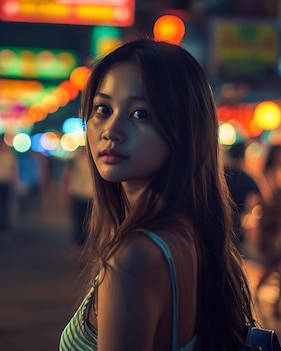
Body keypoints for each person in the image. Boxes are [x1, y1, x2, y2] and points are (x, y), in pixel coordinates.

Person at [59, 38, 256, 351]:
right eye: (103, 109)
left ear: (185, 129)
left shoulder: (134, 258)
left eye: (140, 114)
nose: (111, 129)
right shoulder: (188, 232)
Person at [255, 143, 281, 318]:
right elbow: (266, 201)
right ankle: (256, 292)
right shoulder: (266, 175)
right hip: (272, 227)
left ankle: (276, 303)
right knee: (272, 265)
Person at [224, 141, 262, 252]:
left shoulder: (221, 172)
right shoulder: (246, 177)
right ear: (243, 156)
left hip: (218, 218)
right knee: (234, 254)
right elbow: (264, 198)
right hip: (237, 223)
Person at [61, 145, 94, 261]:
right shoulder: (75, 159)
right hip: (77, 194)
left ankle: (86, 251)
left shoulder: (95, 159)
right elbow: (67, 177)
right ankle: (78, 251)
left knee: (91, 226)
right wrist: (65, 195)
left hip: (92, 196)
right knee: (78, 224)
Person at [0, 137, 19, 234]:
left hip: (6, 181)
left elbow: (13, 169)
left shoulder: (9, 155)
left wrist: (15, 183)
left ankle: (5, 224)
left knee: (5, 204)